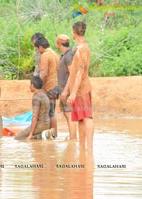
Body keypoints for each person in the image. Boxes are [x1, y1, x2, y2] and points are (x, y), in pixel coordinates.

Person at [62, 21, 94, 152]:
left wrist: (74, 93)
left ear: (73, 32)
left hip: (82, 89)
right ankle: (82, 149)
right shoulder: (80, 47)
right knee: (80, 119)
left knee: (87, 117)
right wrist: (66, 90)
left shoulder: (82, 49)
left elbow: (80, 71)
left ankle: (90, 149)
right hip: (77, 89)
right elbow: (73, 72)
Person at [34, 37, 60, 138]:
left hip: (49, 87)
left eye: (37, 49)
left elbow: (43, 73)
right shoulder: (55, 54)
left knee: (50, 113)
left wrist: (38, 86)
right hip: (56, 86)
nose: (37, 51)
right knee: (52, 112)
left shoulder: (45, 55)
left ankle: (52, 135)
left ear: (40, 47)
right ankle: (54, 134)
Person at [15, 76, 54, 140]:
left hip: (40, 125)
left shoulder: (36, 98)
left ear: (32, 85)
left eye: (30, 85)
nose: (29, 86)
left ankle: (40, 136)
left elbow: (34, 116)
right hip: (47, 124)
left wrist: (31, 134)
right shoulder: (45, 95)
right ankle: (44, 134)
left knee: (18, 138)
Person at [56, 34, 77, 140]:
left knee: (69, 114)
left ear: (59, 44)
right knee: (66, 113)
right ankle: (72, 136)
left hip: (66, 89)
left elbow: (72, 73)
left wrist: (65, 91)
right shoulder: (65, 55)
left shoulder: (68, 56)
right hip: (63, 89)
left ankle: (73, 138)